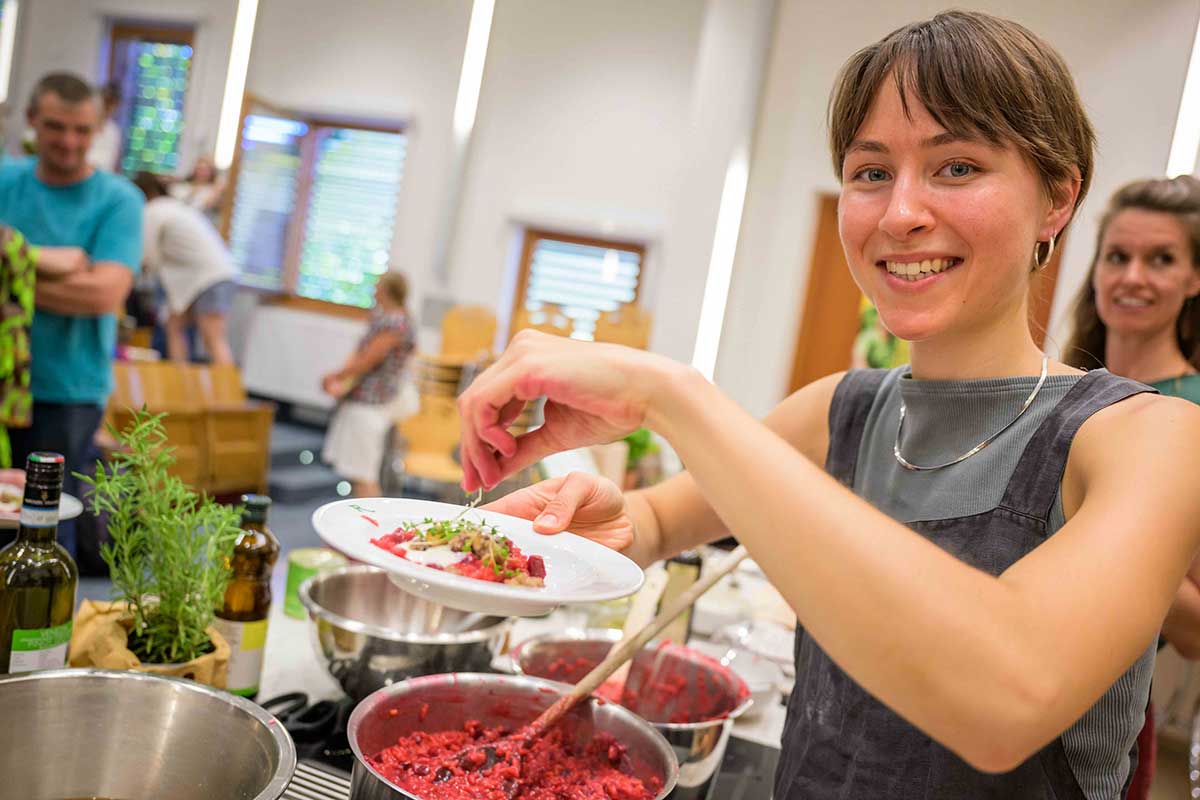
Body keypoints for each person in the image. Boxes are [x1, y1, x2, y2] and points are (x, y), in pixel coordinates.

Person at [456, 11, 1200, 798]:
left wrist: (671, 395)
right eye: (871, 172)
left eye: (956, 167)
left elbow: (1007, 695)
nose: (900, 213)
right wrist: (614, 526)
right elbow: (662, 522)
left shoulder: (1148, 439)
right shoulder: (841, 411)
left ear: (1056, 199)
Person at [1065, 174, 1200, 799]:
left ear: (1194, 279)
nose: (1133, 277)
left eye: (1162, 259)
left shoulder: (1194, 417)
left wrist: (1102, 539)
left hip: (1104, 714)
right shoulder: (1057, 390)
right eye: (1117, 257)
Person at [0, 72, 142, 561]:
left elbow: (103, 294)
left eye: (83, 131)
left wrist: (10, 268)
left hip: (68, 396)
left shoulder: (119, 200)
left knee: (42, 531)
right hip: (3, 386)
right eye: (57, 126)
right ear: (33, 120)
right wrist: (51, 260)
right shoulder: (5, 179)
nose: (69, 141)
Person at [321, 272, 415, 497]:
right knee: (358, 471)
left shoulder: (396, 321)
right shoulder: (388, 317)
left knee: (363, 474)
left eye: (377, 286)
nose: (374, 290)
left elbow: (368, 359)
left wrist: (336, 376)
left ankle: (370, 526)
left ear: (386, 290)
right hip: (367, 398)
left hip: (372, 402)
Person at [132, 171, 237, 364]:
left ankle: (226, 392)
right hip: (209, 275)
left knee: (212, 335)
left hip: (210, 277)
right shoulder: (175, 207)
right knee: (174, 325)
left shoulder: (153, 210)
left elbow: (147, 257)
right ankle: (180, 380)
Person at [170, 154, 226, 227]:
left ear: (211, 172)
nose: (202, 173)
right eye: (200, 169)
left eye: (206, 170)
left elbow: (203, 208)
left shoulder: (212, 191)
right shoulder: (182, 187)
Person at [87, 81, 122, 172]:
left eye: (113, 103)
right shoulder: (83, 126)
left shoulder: (114, 131)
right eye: (106, 101)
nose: (109, 107)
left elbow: (113, 163)